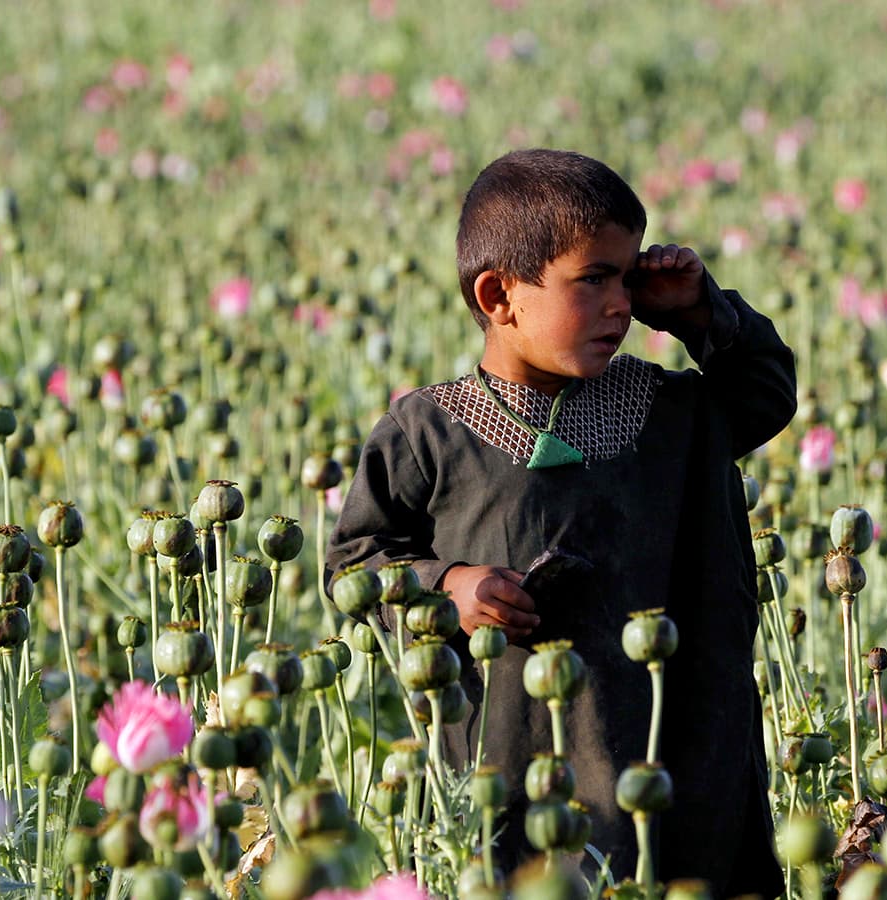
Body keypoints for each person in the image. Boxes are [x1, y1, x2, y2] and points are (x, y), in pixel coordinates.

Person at [326, 148, 795, 895]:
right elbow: (354, 562)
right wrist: (447, 585)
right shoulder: (431, 432)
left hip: (672, 764)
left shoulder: (674, 414)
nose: (622, 302)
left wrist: (700, 310)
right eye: (596, 279)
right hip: (507, 771)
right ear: (499, 295)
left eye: (630, 274)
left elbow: (766, 395)